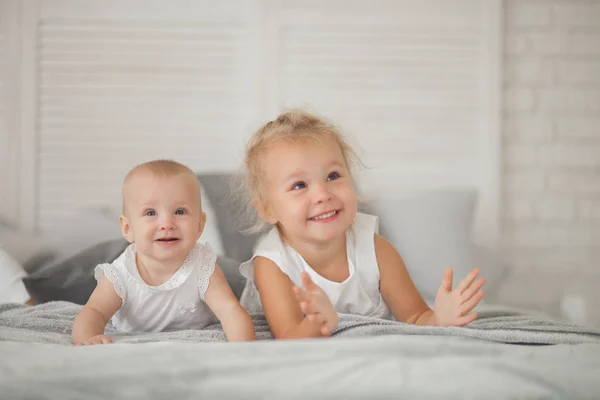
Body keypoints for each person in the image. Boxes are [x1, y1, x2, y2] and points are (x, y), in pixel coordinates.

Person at [237, 110, 485, 339]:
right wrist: (317, 322)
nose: (323, 194)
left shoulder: (376, 250)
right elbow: (289, 338)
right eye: (299, 185)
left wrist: (439, 319)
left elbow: (414, 316)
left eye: (333, 176)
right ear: (267, 209)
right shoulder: (272, 264)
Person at [72, 160, 255, 345]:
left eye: (180, 211)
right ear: (128, 228)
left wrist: (243, 346)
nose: (167, 223)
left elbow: (229, 310)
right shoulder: (121, 273)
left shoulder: (203, 268)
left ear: (199, 225)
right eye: (151, 213)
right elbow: (94, 311)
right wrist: (89, 338)